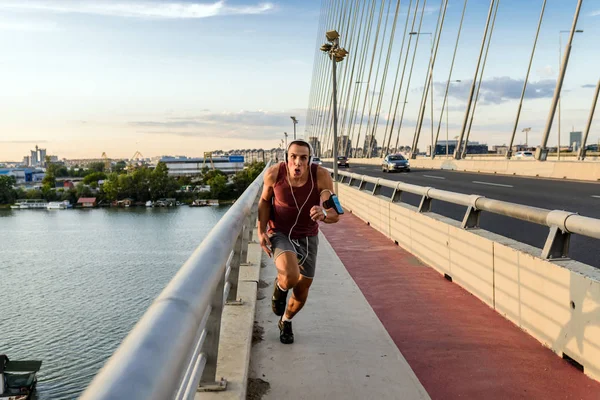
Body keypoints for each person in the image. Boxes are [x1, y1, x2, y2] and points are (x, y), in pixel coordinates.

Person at [257, 139, 341, 344]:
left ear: (309, 160)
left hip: (308, 236)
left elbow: (335, 213)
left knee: (302, 290)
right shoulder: (274, 174)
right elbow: (265, 201)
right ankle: (280, 288)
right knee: (290, 275)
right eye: (293, 157)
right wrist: (261, 231)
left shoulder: (320, 176)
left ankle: (286, 321)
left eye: (303, 158)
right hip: (280, 233)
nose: (298, 162)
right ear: (287, 158)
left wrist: (323, 214)